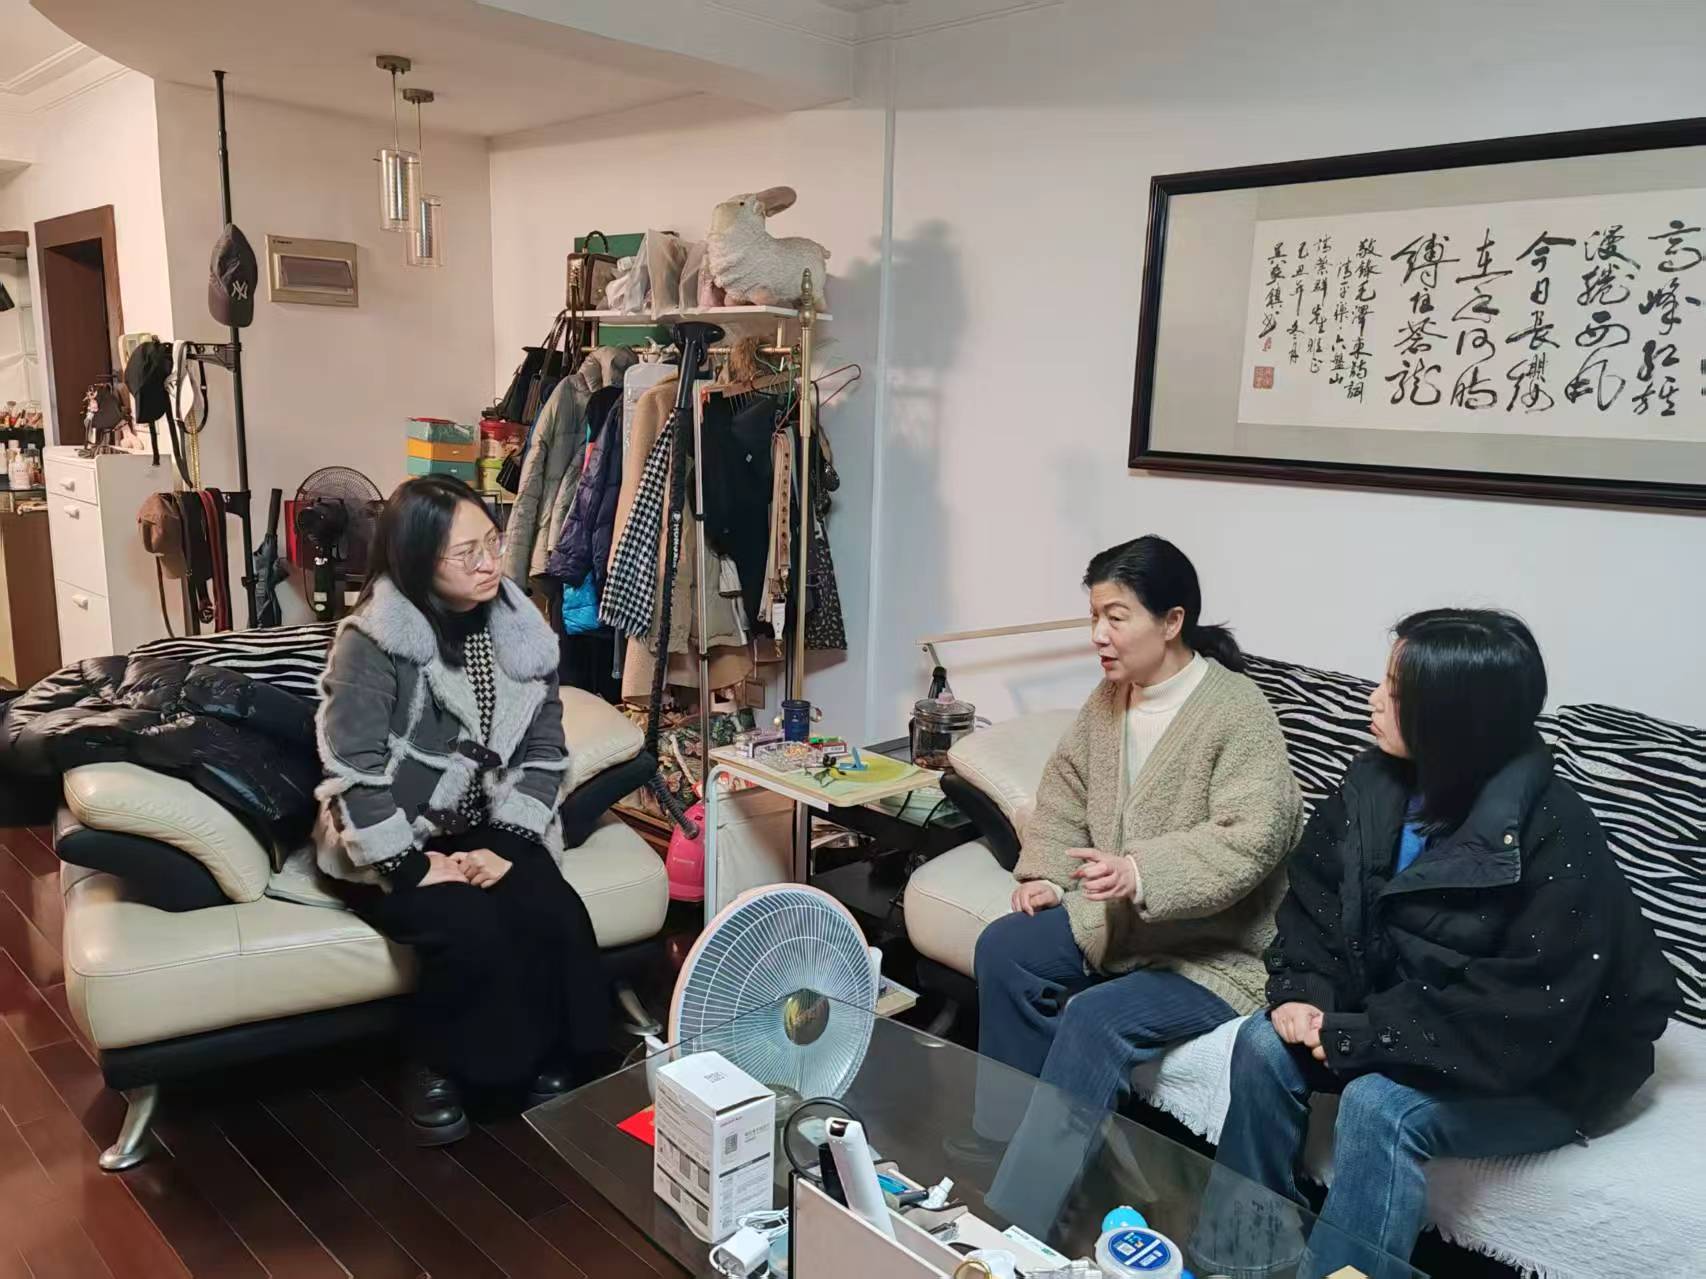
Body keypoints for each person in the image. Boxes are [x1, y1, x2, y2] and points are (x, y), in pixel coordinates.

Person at [1205, 609, 1679, 1279]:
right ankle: (1239, 1260)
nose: (1373, 699)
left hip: (1547, 1064)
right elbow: (1315, 902)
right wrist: (1302, 991)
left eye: (1397, 691)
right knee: (1261, 1043)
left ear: (1457, 718)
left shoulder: (1554, 833)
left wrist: (1358, 1034)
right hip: (1414, 1020)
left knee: (1380, 1107)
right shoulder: (1373, 784)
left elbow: (1517, 1012)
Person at [973, 535, 1304, 1135]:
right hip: (1120, 924)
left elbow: (1251, 837)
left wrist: (1140, 872)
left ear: (1172, 621)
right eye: (1094, 617)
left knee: (1096, 1017)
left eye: (1116, 617)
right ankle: (1003, 1136)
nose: (1098, 635)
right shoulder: (1109, 699)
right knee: (1005, 948)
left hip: (1214, 949)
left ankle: (1038, 1181)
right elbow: (1067, 788)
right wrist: (1048, 875)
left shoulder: (1239, 712)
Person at [315, 475, 609, 1145]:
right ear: (417, 559)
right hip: (393, 833)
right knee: (468, 924)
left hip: (489, 823)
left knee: (553, 908)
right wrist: (409, 865)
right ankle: (437, 1064)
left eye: (492, 543)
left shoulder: (521, 627)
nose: (488, 564)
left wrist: (505, 844)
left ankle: (556, 1056)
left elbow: (546, 747)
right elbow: (352, 769)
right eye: (465, 553)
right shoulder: (372, 640)